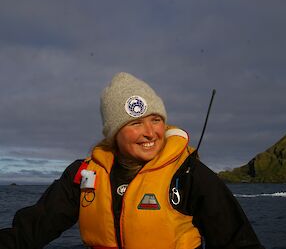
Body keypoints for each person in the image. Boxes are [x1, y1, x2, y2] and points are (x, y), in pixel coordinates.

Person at [0, 72, 265, 249]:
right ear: (114, 133)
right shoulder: (83, 174)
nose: (150, 132)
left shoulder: (189, 175)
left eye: (156, 120)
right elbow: (28, 234)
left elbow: (239, 242)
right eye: (136, 123)